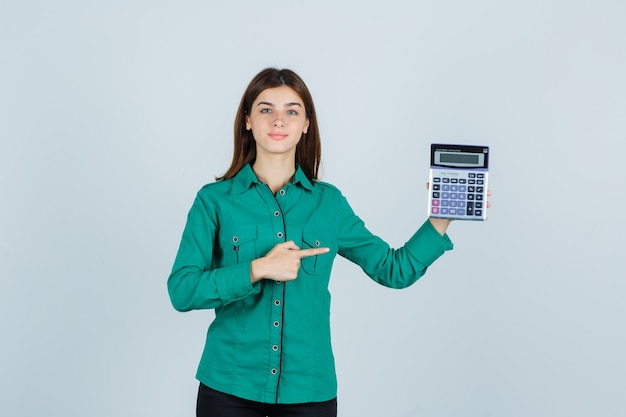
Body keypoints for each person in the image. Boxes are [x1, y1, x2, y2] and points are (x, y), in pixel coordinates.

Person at [167, 68, 475, 417]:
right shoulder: (214, 201)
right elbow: (182, 289)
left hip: (309, 392)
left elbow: (394, 269)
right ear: (248, 121)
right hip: (228, 389)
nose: (279, 120)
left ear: (306, 124)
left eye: (292, 111)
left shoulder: (328, 204)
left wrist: (441, 218)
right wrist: (257, 269)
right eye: (266, 109)